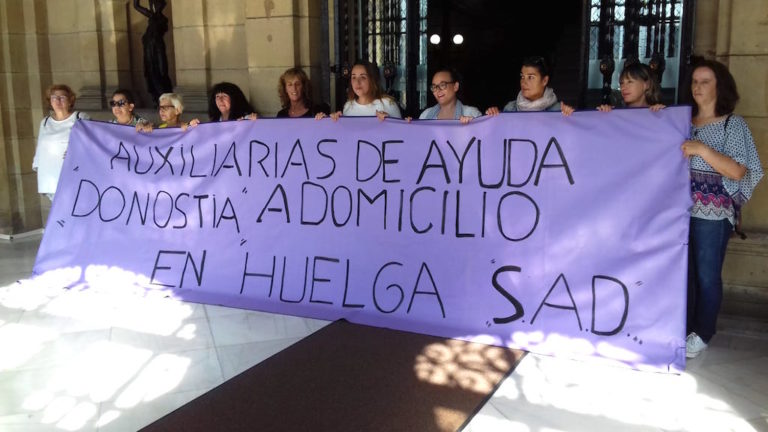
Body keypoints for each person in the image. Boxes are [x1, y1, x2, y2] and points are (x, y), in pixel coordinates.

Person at [681, 59, 764, 358]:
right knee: (682, 273)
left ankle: (703, 332)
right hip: (679, 211)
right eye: (694, 81)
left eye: (705, 81)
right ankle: (683, 325)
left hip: (712, 214)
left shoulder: (732, 123)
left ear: (719, 86)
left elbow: (739, 171)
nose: (697, 87)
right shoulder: (682, 121)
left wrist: (702, 149)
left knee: (706, 274)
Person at [32, 84, 91, 201]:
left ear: (70, 100)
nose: (58, 101)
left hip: (71, 172)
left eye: (62, 97)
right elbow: (40, 146)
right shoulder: (45, 122)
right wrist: (37, 165)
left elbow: (90, 143)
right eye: (54, 97)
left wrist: (76, 151)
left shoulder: (80, 117)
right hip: (50, 174)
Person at [485, 56, 574, 116]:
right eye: (522, 76)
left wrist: (569, 117)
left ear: (544, 80)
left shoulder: (558, 111)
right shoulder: (510, 109)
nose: (524, 82)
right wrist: (493, 117)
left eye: (530, 77)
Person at [320, 60, 402, 121]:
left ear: (372, 80)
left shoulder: (388, 104)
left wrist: (389, 122)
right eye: (354, 77)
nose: (357, 82)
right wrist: (332, 122)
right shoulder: (348, 106)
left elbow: (401, 135)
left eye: (363, 77)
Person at [597, 62, 665, 112]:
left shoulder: (659, 112)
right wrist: (604, 114)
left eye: (630, 82)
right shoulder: (616, 113)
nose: (623, 87)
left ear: (646, 85)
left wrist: (661, 113)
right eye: (621, 83)